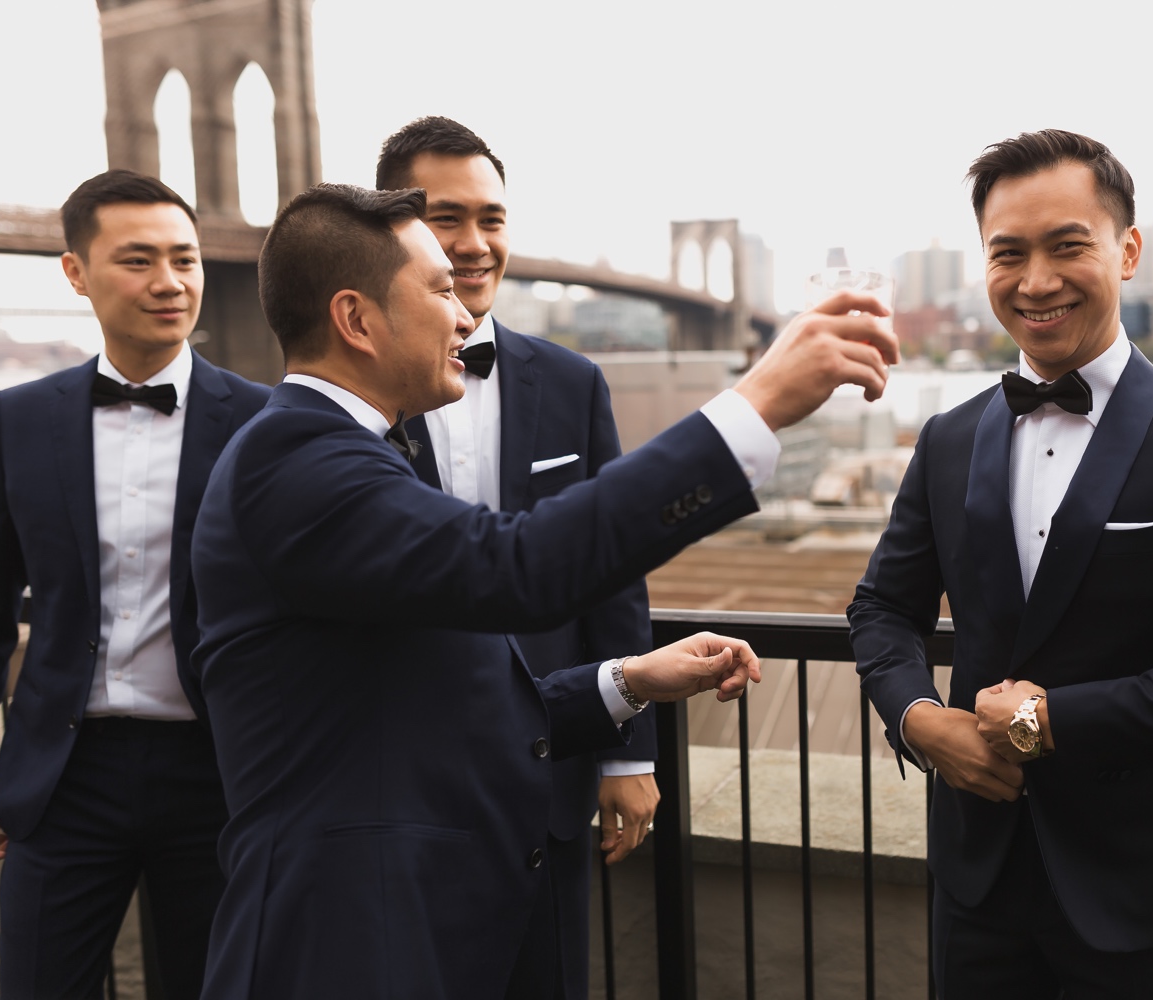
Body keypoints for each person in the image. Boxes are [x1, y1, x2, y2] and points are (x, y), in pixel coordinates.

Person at [189, 182, 897, 999]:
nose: (464, 315)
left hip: (398, 927)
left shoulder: (341, 457)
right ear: (356, 319)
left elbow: (428, 694)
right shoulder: (299, 464)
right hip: (344, 940)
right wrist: (757, 404)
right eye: (441, 290)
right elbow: (516, 570)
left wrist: (627, 681)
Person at [847, 130, 1153, 997]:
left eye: (1068, 246)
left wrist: (1047, 724)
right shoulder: (946, 440)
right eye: (1007, 254)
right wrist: (915, 716)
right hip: (974, 885)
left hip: (1137, 894)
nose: (1037, 280)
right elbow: (881, 608)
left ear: (1127, 251)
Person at [0, 170, 270, 999]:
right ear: (76, 271)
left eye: (187, 259)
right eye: (138, 261)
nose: (170, 283)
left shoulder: (265, 421)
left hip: (216, 776)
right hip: (63, 777)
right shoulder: (19, 418)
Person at [374, 117, 657, 997]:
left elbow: (612, 573)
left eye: (492, 218)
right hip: (396, 778)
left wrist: (627, 755)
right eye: (445, 217)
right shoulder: (349, 387)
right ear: (392, 227)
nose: (474, 243)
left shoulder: (573, 383)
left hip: (549, 767)